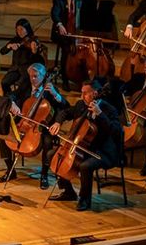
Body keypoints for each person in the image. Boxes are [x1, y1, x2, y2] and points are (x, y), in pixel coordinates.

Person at [48, 79, 123, 211]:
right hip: (83, 148)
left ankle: (85, 199)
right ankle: (68, 191)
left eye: (85, 93)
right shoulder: (81, 105)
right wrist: (58, 122)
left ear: (94, 93)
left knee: (85, 166)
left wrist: (100, 114)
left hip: (103, 152)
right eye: (81, 93)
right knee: (52, 155)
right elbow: (65, 112)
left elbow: (116, 131)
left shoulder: (108, 109)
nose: (82, 96)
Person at [0, 63, 67, 187]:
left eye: (36, 76)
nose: (33, 79)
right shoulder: (26, 84)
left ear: (43, 76)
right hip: (24, 121)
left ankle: (44, 174)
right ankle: (10, 169)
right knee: (2, 133)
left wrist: (55, 95)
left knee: (47, 141)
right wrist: (13, 103)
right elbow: (11, 94)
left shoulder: (50, 88)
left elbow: (64, 107)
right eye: (31, 76)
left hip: (42, 126)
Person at [0, 18, 46, 97]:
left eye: (21, 29)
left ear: (27, 29)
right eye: (17, 29)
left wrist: (34, 51)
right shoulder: (15, 40)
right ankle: (7, 98)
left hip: (26, 70)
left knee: (20, 87)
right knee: (4, 82)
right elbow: (2, 51)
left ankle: (17, 101)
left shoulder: (32, 40)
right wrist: (9, 46)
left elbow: (37, 59)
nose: (19, 32)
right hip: (15, 69)